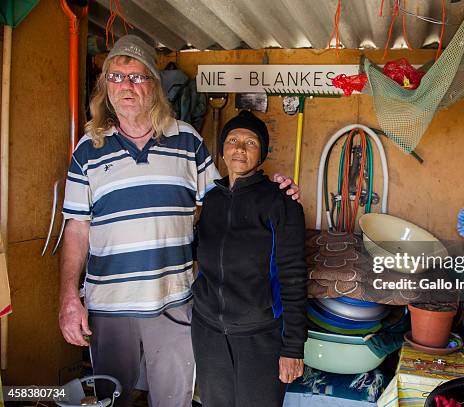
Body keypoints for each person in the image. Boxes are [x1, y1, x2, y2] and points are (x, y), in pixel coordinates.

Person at [58, 35, 299, 407]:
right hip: (109, 305)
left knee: (173, 400)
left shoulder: (187, 141)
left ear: (154, 85)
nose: (126, 86)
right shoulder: (88, 148)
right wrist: (69, 299)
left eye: (137, 77)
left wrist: (276, 189)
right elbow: (76, 227)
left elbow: (225, 199)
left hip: (174, 302)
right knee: (110, 398)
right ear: (105, 86)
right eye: (116, 77)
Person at [192, 110, 307, 407]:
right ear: (222, 149)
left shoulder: (280, 202)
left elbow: (293, 276)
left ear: (262, 153)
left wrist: (293, 348)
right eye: (232, 140)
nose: (239, 148)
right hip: (208, 332)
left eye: (250, 142)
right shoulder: (211, 201)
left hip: (260, 338)